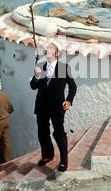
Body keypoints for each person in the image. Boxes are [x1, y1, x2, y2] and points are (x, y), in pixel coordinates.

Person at [30, 43, 77, 172]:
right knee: (43, 132)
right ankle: (48, 155)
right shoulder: (40, 67)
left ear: (56, 53)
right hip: (42, 106)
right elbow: (33, 86)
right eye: (47, 48)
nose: (48, 49)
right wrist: (37, 76)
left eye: (51, 48)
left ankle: (63, 161)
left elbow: (73, 87)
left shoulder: (64, 67)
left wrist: (68, 101)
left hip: (57, 107)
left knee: (59, 133)